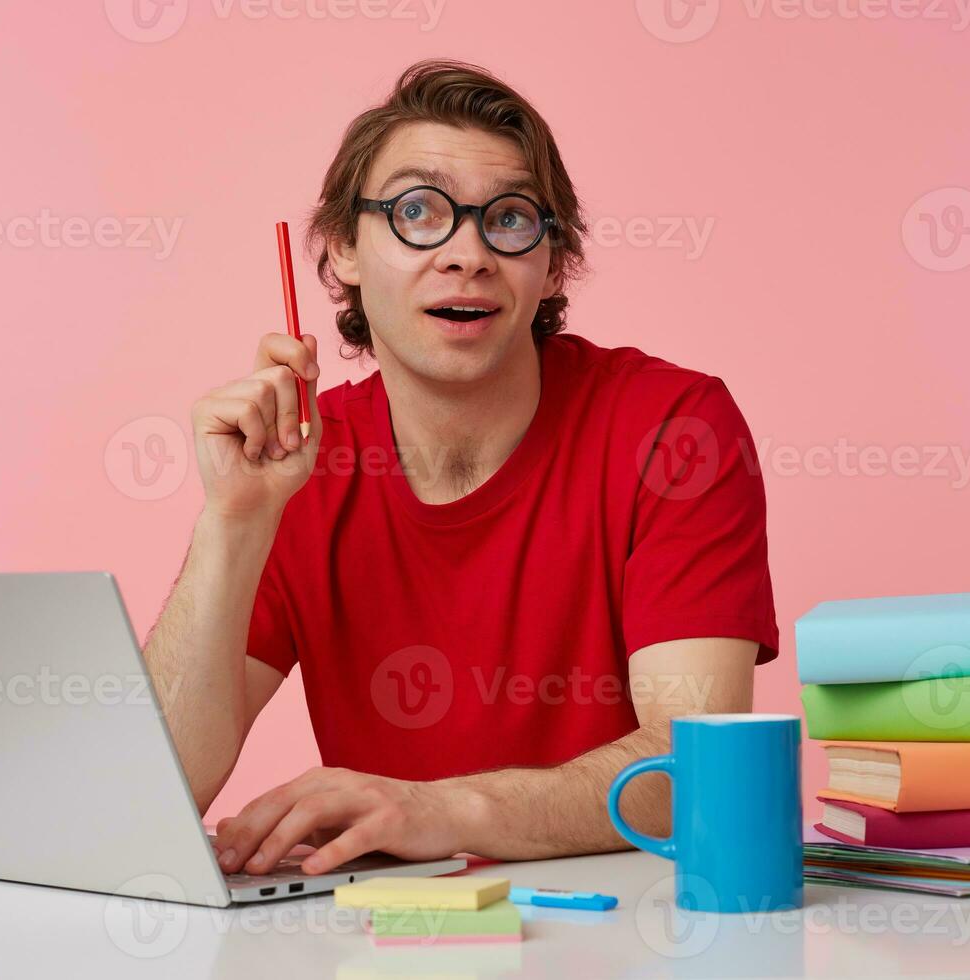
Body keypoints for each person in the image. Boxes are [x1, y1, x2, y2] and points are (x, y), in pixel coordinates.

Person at [142, 59, 778, 878]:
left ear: (551, 266)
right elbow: (158, 792)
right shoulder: (299, 464)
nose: (467, 253)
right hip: (387, 940)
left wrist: (437, 809)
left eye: (510, 220)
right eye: (417, 212)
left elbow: (698, 770)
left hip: (629, 932)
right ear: (341, 250)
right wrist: (234, 519)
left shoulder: (675, 429)